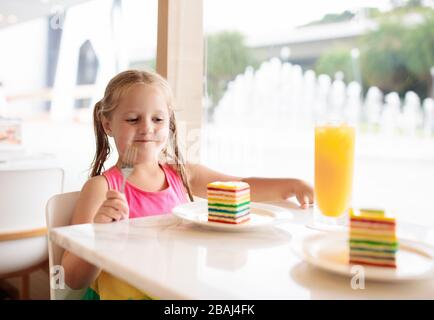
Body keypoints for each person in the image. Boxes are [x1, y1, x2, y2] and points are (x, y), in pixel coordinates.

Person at [61, 69, 314, 299]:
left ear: (169, 122)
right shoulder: (101, 188)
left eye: (157, 120)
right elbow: (72, 279)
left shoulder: (183, 175)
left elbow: (240, 187)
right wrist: (98, 235)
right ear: (108, 125)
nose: (146, 128)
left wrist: (291, 185)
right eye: (133, 119)